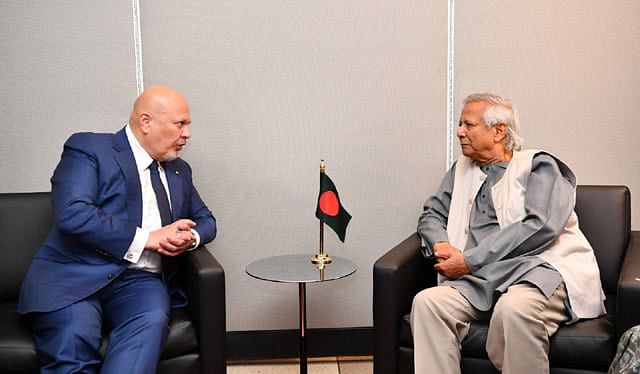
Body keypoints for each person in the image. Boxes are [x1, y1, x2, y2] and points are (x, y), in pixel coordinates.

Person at [17, 85, 217, 373]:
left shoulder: (178, 171)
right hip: (75, 276)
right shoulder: (89, 149)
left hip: (139, 281)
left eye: (188, 125)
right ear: (146, 122)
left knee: (151, 321)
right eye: (180, 124)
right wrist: (149, 238)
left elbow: (206, 219)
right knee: (74, 348)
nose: (187, 134)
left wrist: (189, 237)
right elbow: (73, 213)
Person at [411, 93, 605, 374]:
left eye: (468, 125)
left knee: (514, 310)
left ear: (499, 130)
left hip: (538, 269)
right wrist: (441, 244)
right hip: (480, 279)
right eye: (460, 124)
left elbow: (540, 225)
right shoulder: (460, 171)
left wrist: (469, 260)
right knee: (428, 303)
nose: (459, 132)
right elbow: (432, 214)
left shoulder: (539, 166)